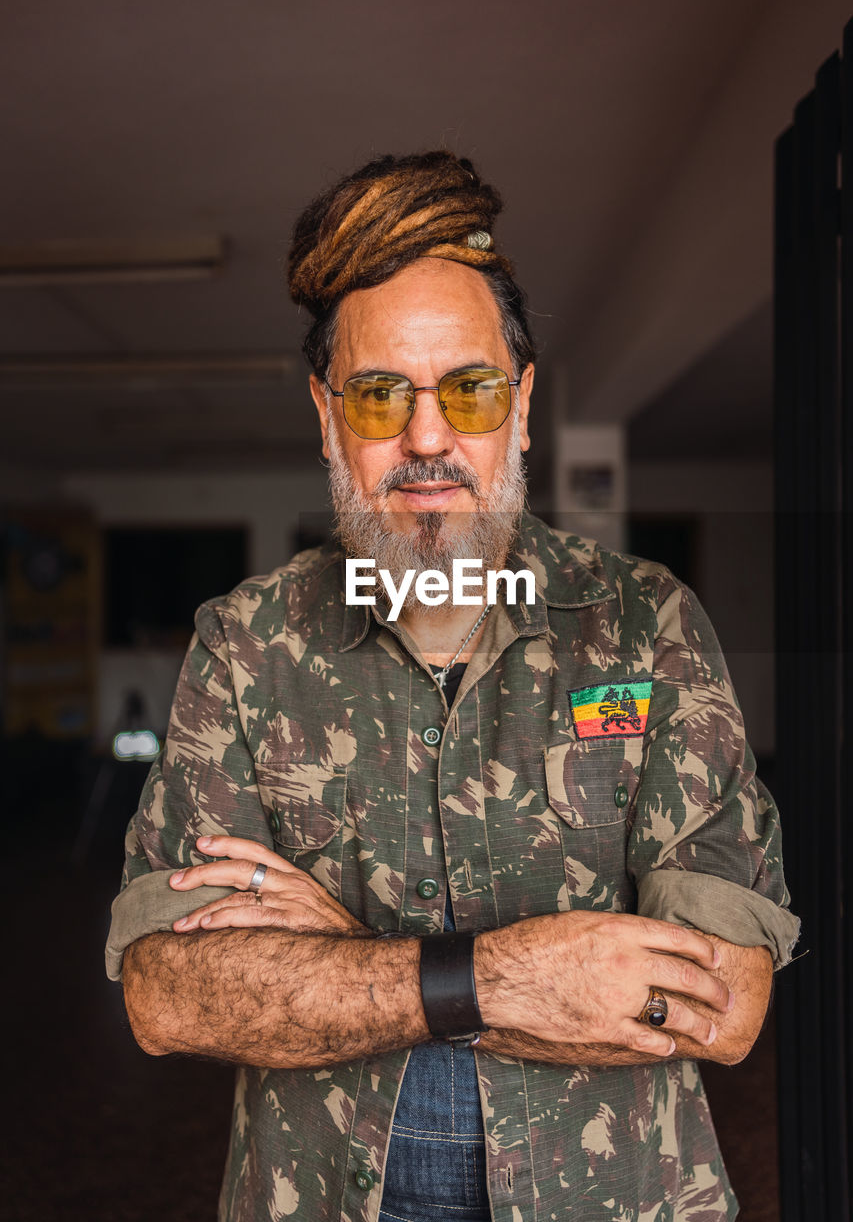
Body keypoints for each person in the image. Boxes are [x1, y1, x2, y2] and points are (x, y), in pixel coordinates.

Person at [106, 151, 799, 1222]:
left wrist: (343, 953)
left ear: (520, 407)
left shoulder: (644, 624)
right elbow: (168, 994)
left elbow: (725, 1003)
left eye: (468, 388)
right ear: (326, 416)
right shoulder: (245, 643)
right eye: (380, 395)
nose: (427, 436)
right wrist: (515, 974)